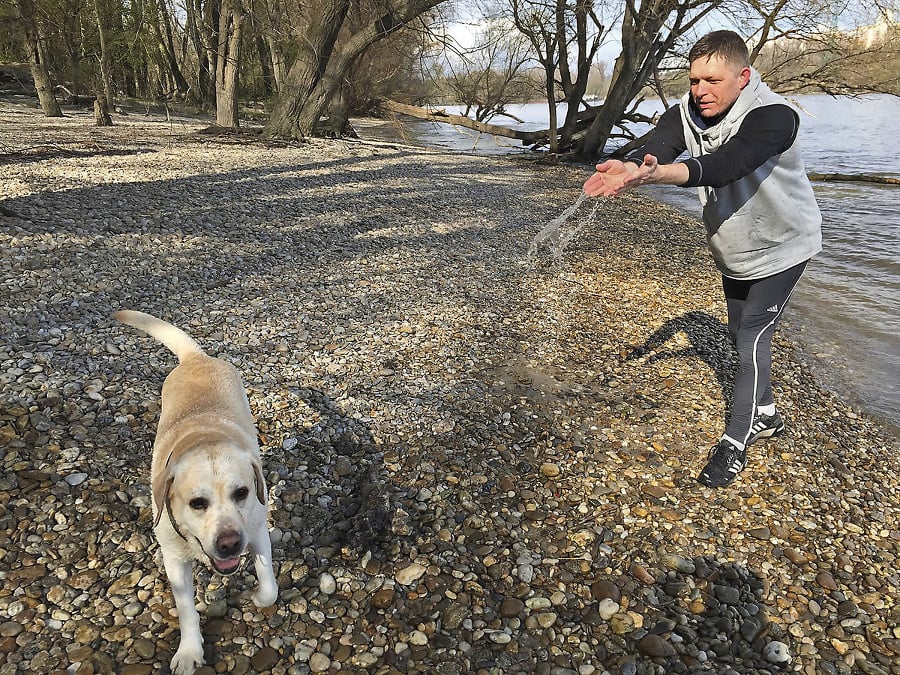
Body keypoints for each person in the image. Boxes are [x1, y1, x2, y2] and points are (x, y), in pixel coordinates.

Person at [583, 30, 822, 488]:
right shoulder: (688, 113)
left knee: (751, 335)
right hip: (735, 247)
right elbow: (659, 145)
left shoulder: (775, 117)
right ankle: (766, 414)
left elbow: (726, 163)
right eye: (694, 80)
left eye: (712, 80)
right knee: (738, 332)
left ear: (743, 77)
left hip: (786, 244)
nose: (700, 91)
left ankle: (737, 441)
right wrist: (634, 166)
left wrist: (661, 176)